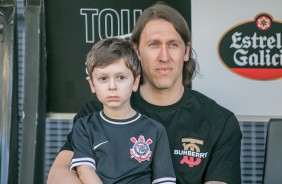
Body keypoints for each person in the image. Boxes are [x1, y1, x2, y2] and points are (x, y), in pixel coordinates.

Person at [47, 2, 242, 184]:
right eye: (154, 44)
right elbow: (58, 176)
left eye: (173, 44)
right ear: (136, 51)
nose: (164, 57)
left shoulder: (220, 122)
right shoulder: (96, 112)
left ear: (186, 51)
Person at [69, 37, 176, 184]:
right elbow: (85, 170)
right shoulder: (84, 127)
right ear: (92, 84)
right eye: (103, 78)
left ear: (135, 82)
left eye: (120, 77)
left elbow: (164, 181)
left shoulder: (155, 130)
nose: (112, 86)